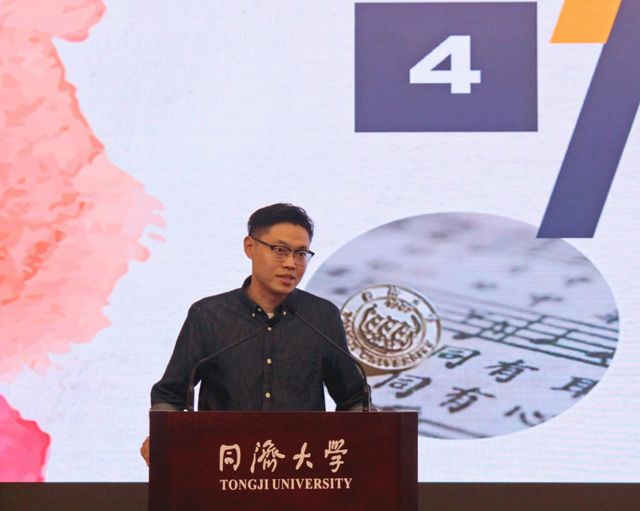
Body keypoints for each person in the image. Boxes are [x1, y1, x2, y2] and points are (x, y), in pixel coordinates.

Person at [140, 203, 365, 465]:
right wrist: (163, 435)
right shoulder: (209, 315)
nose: (291, 264)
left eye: (301, 253)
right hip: (222, 470)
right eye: (280, 251)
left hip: (301, 472)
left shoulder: (321, 317)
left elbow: (354, 398)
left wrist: (369, 437)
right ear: (250, 247)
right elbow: (170, 395)